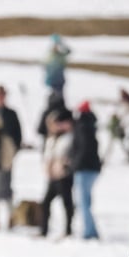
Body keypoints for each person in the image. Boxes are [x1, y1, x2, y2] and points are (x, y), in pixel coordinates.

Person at [39, 109, 75, 237]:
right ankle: (44, 230)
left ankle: (68, 230)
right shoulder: (51, 139)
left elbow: (68, 155)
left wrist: (64, 165)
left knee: (67, 203)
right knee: (46, 202)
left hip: (63, 175)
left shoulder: (69, 137)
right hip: (53, 175)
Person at [70, 100, 102, 240]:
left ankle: (89, 231)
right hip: (92, 168)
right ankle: (91, 229)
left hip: (84, 169)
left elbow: (82, 149)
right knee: (86, 201)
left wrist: (74, 164)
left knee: (83, 201)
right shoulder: (91, 126)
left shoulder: (82, 127)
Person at [0, 85, 22, 207]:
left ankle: (9, 214)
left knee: (6, 183)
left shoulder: (11, 114)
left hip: (6, 154)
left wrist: (13, 149)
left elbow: (17, 134)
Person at [43, 34, 70, 100]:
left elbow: (68, 51)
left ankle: (58, 104)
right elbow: (47, 67)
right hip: (54, 79)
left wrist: (61, 44)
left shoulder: (60, 55)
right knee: (56, 94)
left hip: (59, 79)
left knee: (59, 95)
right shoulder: (51, 56)